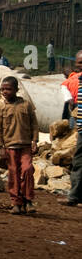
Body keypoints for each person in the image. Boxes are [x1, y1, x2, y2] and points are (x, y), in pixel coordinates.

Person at [0, 76, 38, 215]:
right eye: (3, 89)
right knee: (13, 174)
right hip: (10, 146)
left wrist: (35, 141)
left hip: (25, 145)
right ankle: (16, 202)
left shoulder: (26, 105)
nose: (5, 92)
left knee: (27, 170)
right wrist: (0, 147)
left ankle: (28, 200)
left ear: (16, 90)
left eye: (8, 89)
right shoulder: (1, 107)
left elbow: (34, 124)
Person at [61, 50, 82, 207]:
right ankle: (75, 195)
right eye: (78, 62)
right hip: (81, 128)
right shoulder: (77, 80)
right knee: (79, 161)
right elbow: (66, 91)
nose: (79, 65)